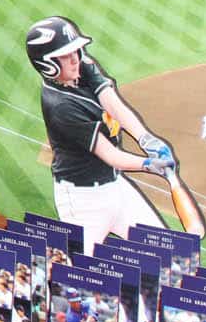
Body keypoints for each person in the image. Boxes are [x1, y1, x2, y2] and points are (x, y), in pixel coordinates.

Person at [26, 16, 174, 254]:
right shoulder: (60, 106)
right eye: (67, 55)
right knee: (80, 276)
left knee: (167, 253)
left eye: (76, 50)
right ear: (48, 64)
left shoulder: (81, 65)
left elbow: (112, 102)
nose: (76, 58)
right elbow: (110, 155)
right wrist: (149, 164)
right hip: (83, 201)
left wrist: (147, 139)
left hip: (115, 187)